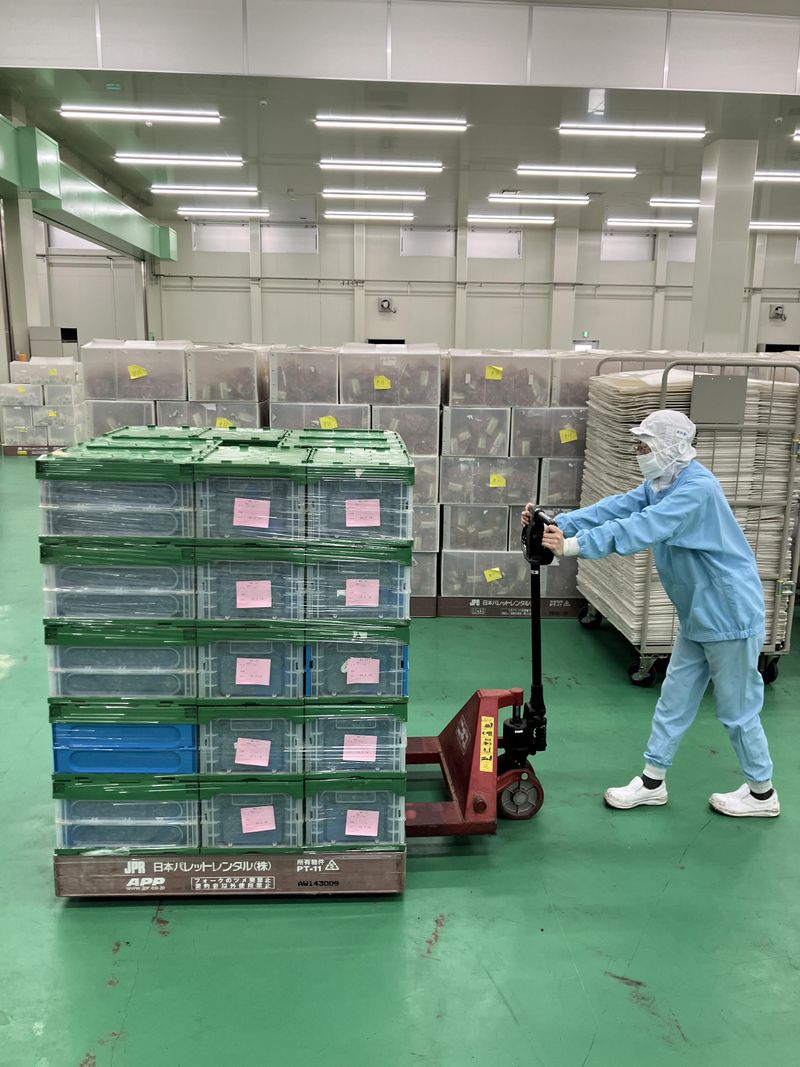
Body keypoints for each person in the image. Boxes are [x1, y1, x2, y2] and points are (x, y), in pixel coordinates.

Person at [521, 409, 779, 818]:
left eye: (645, 446)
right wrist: (559, 523)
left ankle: (762, 794)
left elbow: (644, 526)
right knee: (674, 699)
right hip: (698, 613)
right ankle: (652, 782)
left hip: (729, 615)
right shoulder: (662, 484)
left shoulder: (697, 490)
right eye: (638, 446)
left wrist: (571, 546)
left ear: (672, 446)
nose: (639, 453)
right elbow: (616, 508)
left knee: (737, 710)